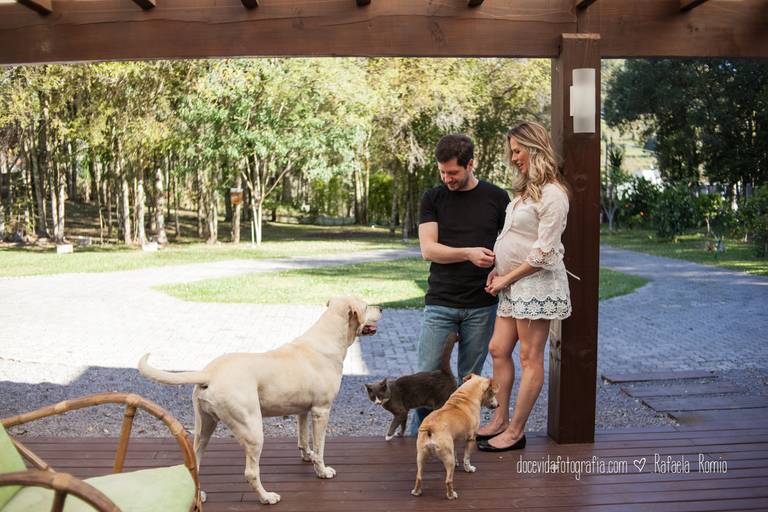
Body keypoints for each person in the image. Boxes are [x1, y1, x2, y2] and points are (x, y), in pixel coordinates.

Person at [476, 121, 572, 452]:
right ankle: (499, 420)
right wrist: (497, 272)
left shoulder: (554, 194)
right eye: (512, 151)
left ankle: (515, 431)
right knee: (498, 350)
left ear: (534, 148)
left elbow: (543, 253)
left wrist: (506, 276)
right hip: (511, 284)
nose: (513, 157)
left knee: (531, 358)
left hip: (536, 285)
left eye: (517, 150)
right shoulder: (524, 192)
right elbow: (511, 239)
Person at [411, 133, 510, 434]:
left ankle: (461, 437)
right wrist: (468, 253)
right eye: (442, 172)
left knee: (472, 382)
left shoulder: (497, 197)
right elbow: (429, 250)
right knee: (427, 378)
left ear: (470, 164)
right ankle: (422, 437)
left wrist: (499, 269)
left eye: (453, 172)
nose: (447, 178)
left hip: (481, 306)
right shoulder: (433, 197)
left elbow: (508, 245)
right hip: (441, 302)